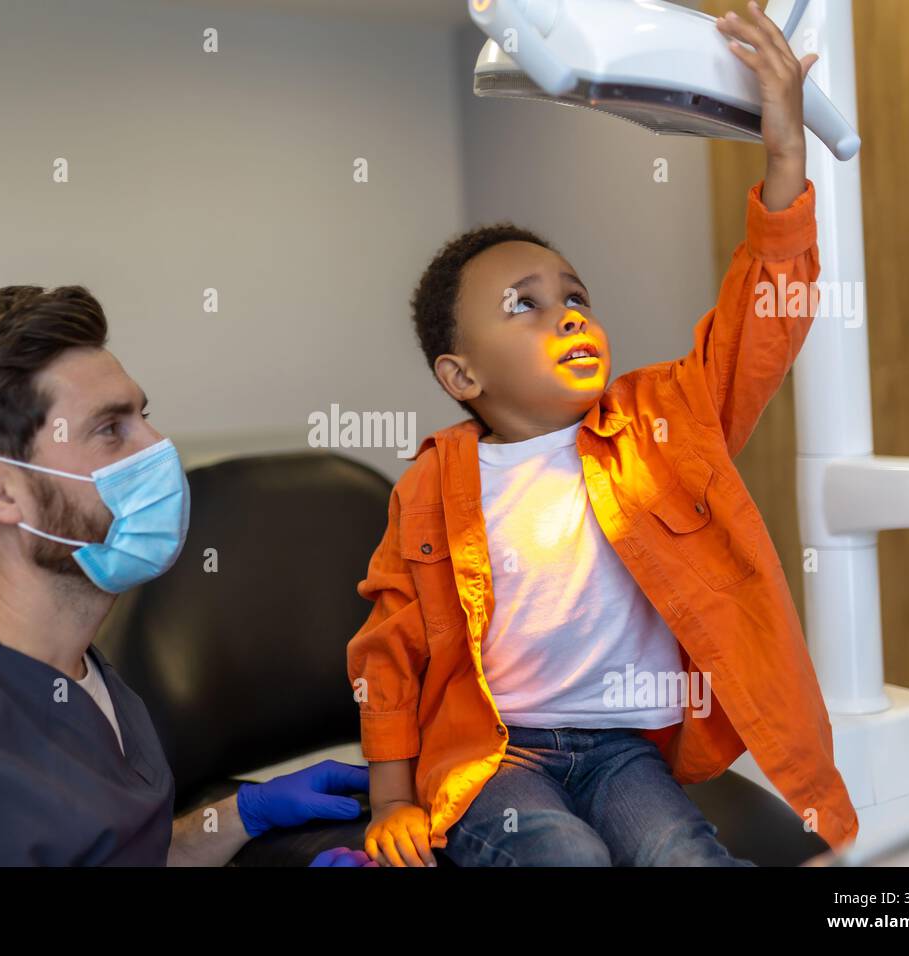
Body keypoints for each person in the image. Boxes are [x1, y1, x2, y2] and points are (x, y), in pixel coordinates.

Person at [348, 3, 858, 867]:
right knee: (565, 857)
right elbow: (389, 648)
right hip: (494, 754)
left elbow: (758, 322)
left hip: (623, 748)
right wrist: (392, 802)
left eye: (574, 296)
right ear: (462, 377)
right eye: (526, 306)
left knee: (684, 857)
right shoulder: (433, 487)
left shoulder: (666, 423)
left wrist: (782, 153)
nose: (567, 315)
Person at [0, 285, 371, 866]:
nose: (158, 448)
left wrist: (236, 816)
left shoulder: (67, 663)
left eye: (142, 417)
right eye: (110, 430)